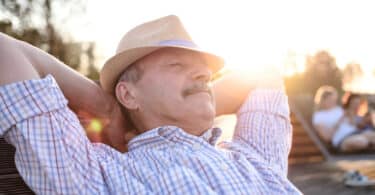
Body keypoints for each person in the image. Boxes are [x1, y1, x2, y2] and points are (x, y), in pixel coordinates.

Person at [0, 15, 301, 194]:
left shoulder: (252, 156)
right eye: (177, 65)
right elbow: (5, 49)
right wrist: (106, 107)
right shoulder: (98, 172)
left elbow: (267, 74)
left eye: (205, 74)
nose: (204, 75)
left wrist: (191, 99)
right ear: (128, 94)